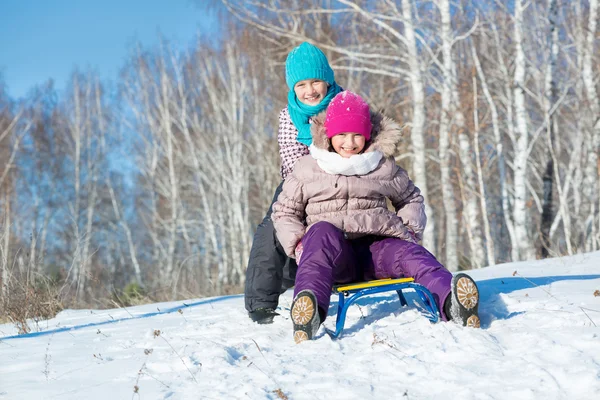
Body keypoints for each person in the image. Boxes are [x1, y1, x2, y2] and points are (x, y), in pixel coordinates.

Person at [272, 91, 480, 343]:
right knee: (320, 232)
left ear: (368, 135)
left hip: (378, 248)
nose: (349, 143)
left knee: (411, 254)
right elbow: (284, 212)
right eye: (342, 135)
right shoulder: (308, 168)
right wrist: (299, 245)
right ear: (328, 134)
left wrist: (409, 231)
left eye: (357, 134)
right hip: (335, 255)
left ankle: (452, 301)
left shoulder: (381, 166)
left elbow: (411, 198)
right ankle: (309, 310)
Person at [244, 42, 343, 324]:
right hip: (299, 179)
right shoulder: (289, 116)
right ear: (292, 88)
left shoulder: (344, 104)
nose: (309, 90)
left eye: (315, 82)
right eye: (301, 84)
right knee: (272, 228)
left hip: (345, 175)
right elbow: (291, 160)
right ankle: (261, 302)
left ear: (327, 80)